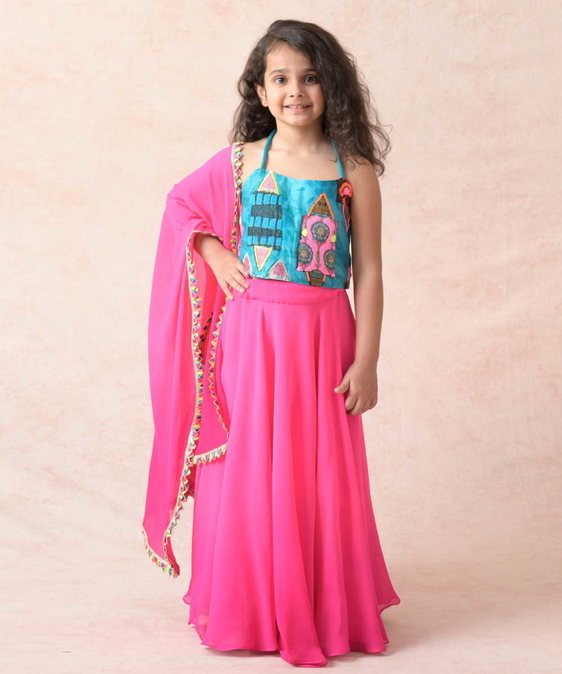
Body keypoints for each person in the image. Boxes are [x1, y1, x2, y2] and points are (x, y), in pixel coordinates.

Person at [142, 19, 401, 668]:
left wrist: (367, 359)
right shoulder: (240, 163)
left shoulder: (353, 168)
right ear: (260, 91)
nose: (295, 91)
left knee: (318, 473)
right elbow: (180, 207)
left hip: (324, 340)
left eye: (309, 78)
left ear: (330, 86)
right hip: (251, 341)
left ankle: (318, 605)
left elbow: (368, 269)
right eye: (280, 79)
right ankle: (248, 606)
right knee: (252, 467)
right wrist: (213, 250)